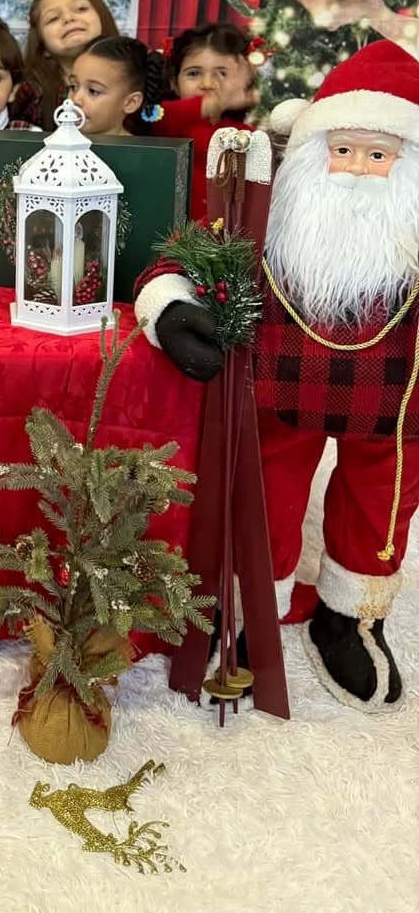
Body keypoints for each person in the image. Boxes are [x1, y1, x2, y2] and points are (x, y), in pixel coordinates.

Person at [136, 41, 419, 709]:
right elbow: (192, 253)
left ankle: (349, 618)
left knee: (381, 503)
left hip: (395, 409)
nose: (353, 170)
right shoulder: (271, 215)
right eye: (340, 151)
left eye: (377, 155)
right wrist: (171, 306)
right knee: (265, 494)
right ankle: (247, 607)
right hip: (277, 396)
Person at [156, 23, 259, 219]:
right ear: (173, 82)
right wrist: (212, 104)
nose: (207, 84)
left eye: (222, 73)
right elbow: (158, 115)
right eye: (194, 73)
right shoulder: (164, 120)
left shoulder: (245, 134)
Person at [9, 0, 119, 133]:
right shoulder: (32, 92)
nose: (69, 18)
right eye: (53, 18)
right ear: (42, 46)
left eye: (81, 9)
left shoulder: (137, 72)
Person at [68, 36, 167, 138]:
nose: (75, 99)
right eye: (73, 87)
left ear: (130, 103)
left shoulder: (140, 153)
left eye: (93, 91)